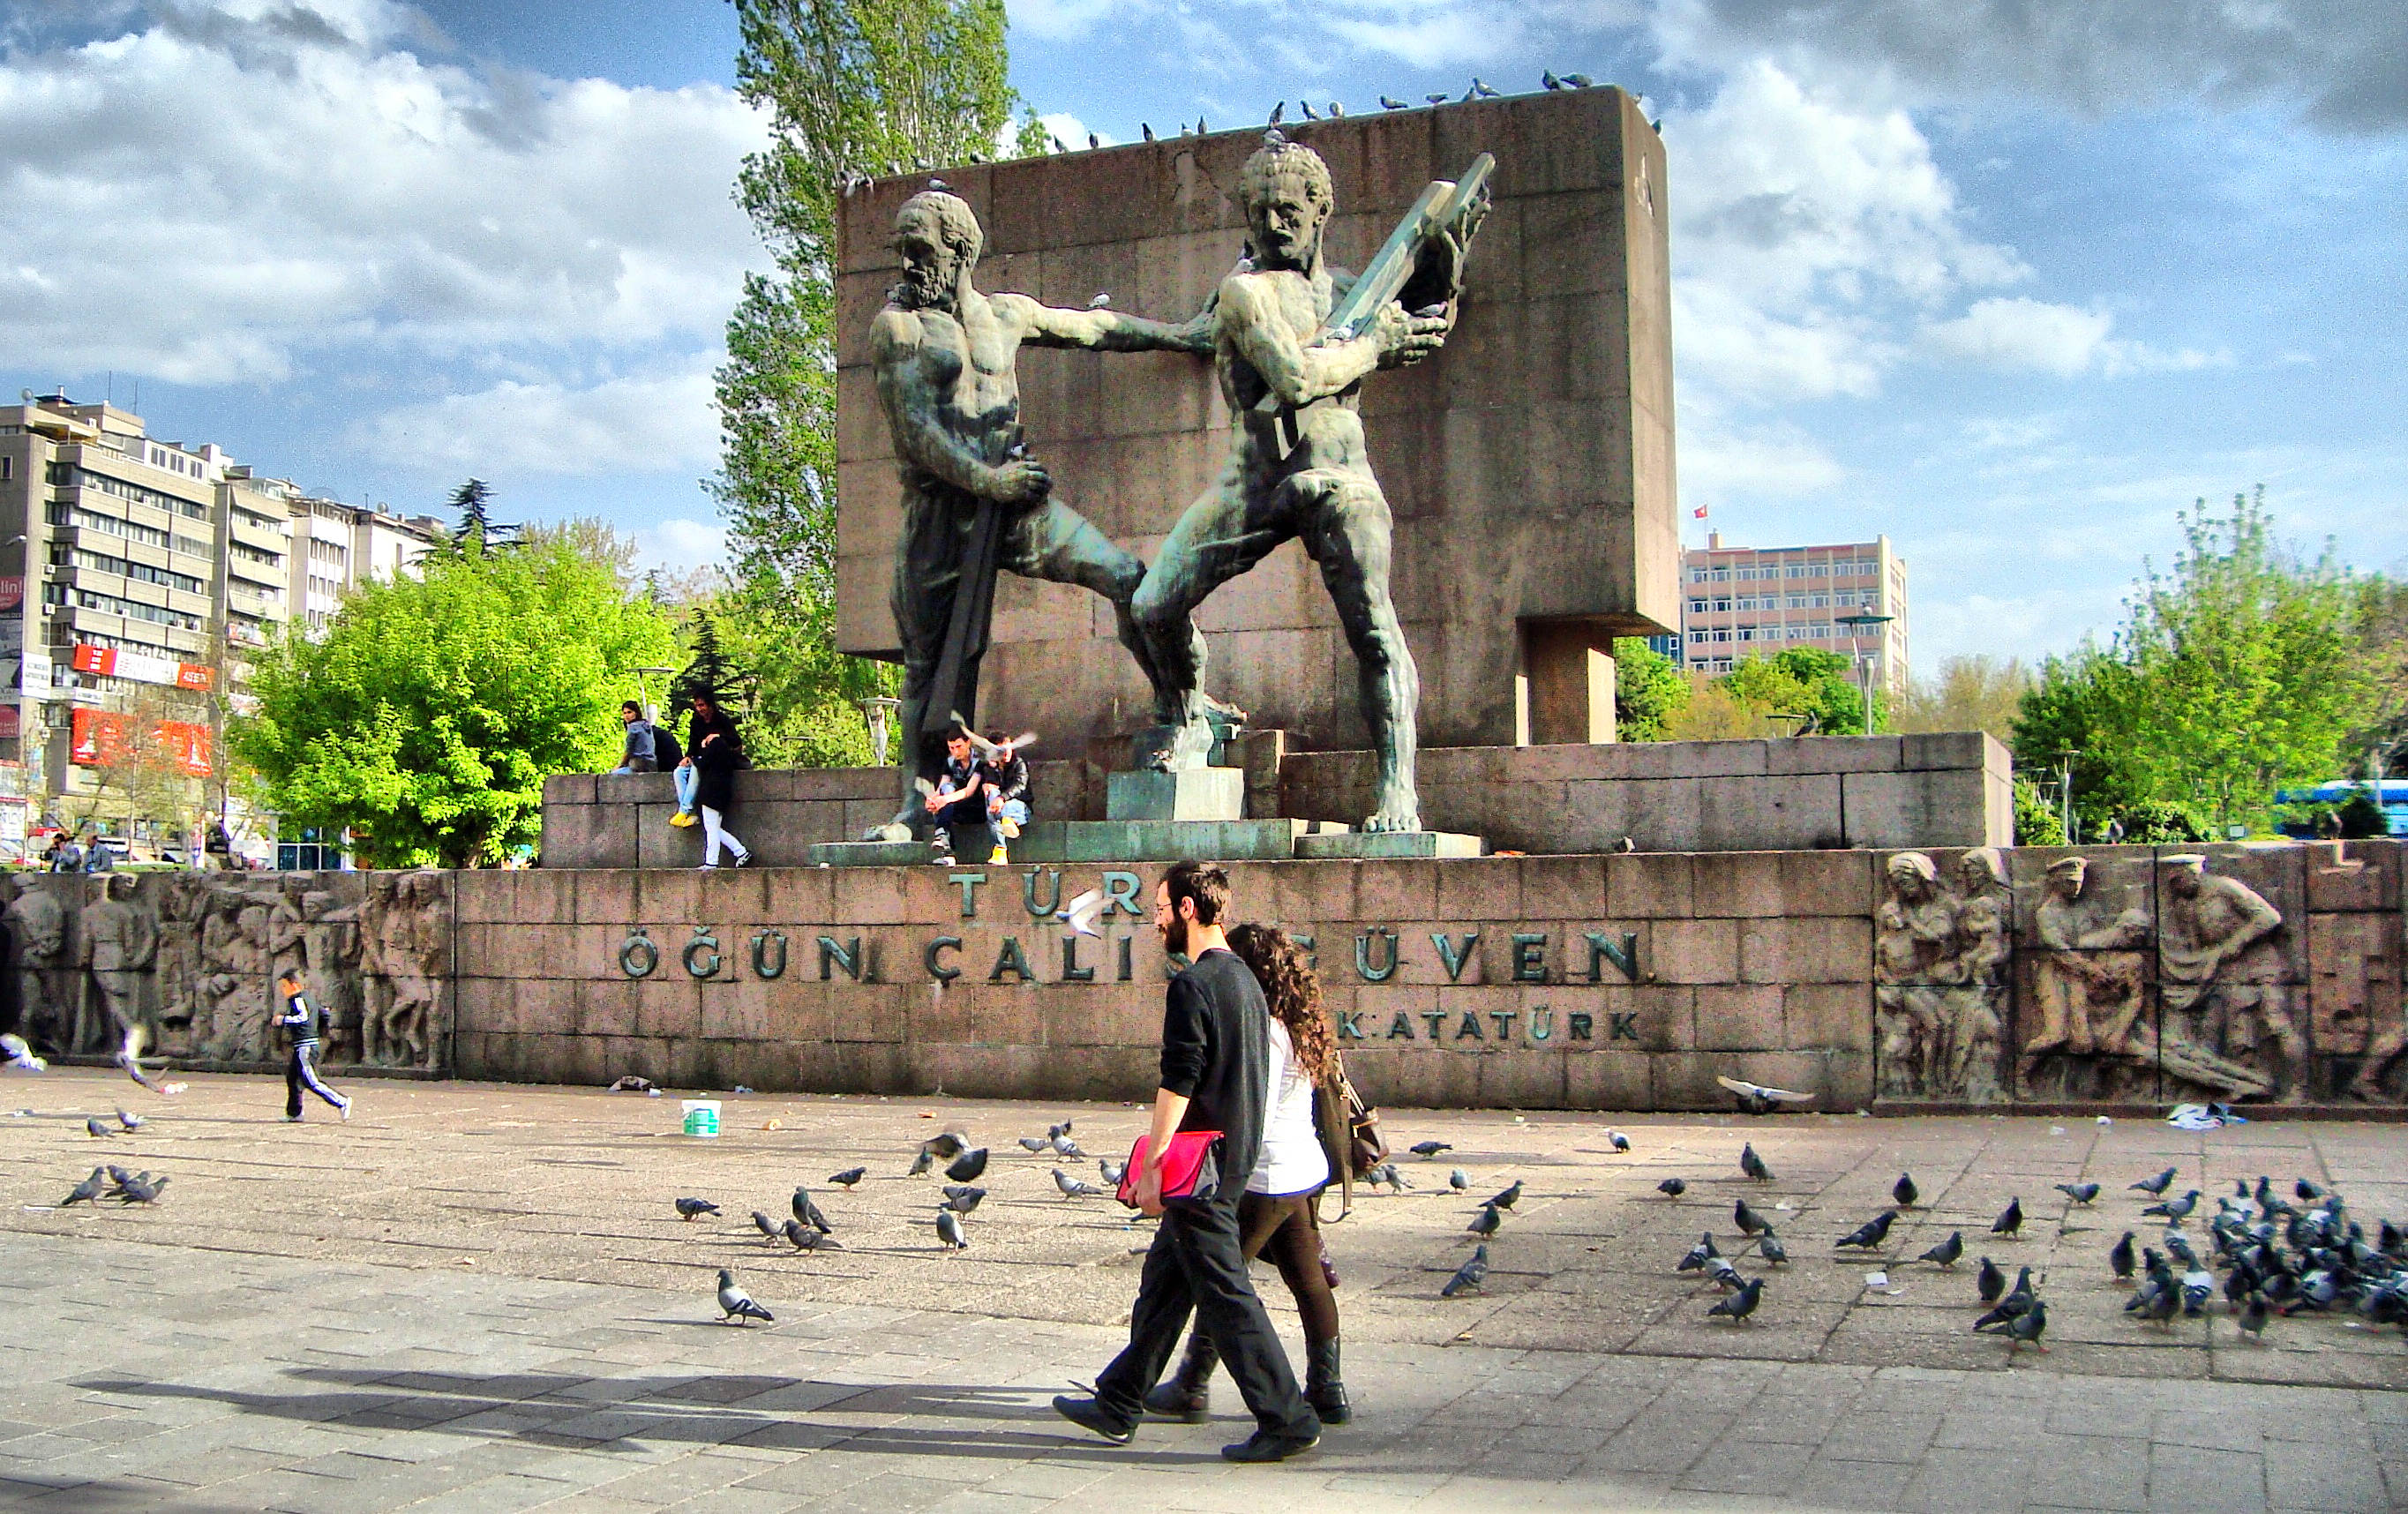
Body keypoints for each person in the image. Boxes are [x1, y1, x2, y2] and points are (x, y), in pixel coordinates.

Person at [1130, 136, 1467, 832]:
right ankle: (1190, 717)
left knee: (1374, 629)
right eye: (1259, 212)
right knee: (1153, 606)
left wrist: (1444, 259)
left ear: (1320, 212)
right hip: (1255, 480)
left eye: (1287, 210)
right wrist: (1374, 346)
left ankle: (1397, 792)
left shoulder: (1352, 289)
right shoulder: (1243, 293)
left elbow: (1427, 315)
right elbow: (1294, 378)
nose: (1272, 224)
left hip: (1340, 474)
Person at [866, 189, 1211, 828]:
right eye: (903, 251)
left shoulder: (1006, 314)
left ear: (960, 250)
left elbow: (1094, 329)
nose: (908, 264)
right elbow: (913, 429)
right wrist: (988, 479)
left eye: (920, 249)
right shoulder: (899, 327)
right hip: (942, 517)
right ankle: (918, 805)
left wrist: (1183, 335)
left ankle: (1179, 707)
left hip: (1017, 507)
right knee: (929, 667)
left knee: (1128, 579)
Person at [1054, 861, 1321, 1464]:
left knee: (1226, 1294)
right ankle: (1120, 1400)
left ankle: (1287, 1418)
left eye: (1159, 909)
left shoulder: (1194, 985)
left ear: (1187, 910)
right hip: (1232, 1157)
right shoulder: (1245, 981)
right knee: (1164, 1283)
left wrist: (1153, 1163)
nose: (1155, 922)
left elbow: (1179, 1080)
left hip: (1200, 1165)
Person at [1145, 922, 1350, 1428]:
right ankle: (1328, 1390)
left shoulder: (1264, 1029)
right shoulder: (1302, 1022)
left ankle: (1193, 1385)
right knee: (1308, 1280)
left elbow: (1252, 1109)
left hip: (1264, 1175)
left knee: (1223, 1282)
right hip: (1302, 1168)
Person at [680, 693, 753, 870]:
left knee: (711, 829)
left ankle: (711, 861)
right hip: (722, 792)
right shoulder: (726, 751)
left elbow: (701, 764)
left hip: (710, 793)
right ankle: (741, 852)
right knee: (713, 827)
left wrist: (702, 750)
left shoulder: (714, 747)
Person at [274, 968, 350, 1122]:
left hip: (305, 1046)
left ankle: (341, 1101)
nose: (282, 990)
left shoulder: (298, 999)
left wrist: (283, 1019)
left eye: (284, 986)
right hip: (304, 1045)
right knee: (293, 1078)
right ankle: (294, 1112)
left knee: (310, 1080)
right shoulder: (309, 998)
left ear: (295, 986)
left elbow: (303, 1018)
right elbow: (324, 1014)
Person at [923, 730, 986, 866]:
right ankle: (945, 846)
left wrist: (945, 799)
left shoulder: (979, 761)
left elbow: (969, 791)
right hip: (956, 805)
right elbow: (942, 786)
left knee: (945, 802)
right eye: (951, 748)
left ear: (968, 743)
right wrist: (933, 800)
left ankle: (943, 840)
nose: (956, 752)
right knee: (943, 796)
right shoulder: (950, 761)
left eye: (959, 747)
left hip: (977, 807)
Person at [977, 732, 1030, 865]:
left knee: (994, 810)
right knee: (992, 800)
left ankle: (1000, 849)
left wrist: (1002, 798)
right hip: (997, 807)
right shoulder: (989, 767)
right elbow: (991, 788)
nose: (1006, 753)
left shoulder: (1019, 764)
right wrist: (987, 785)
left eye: (1008, 748)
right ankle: (1006, 822)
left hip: (1020, 808)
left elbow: (1020, 786)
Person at [613, 701, 657, 774]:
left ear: (636, 713)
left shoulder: (633, 727)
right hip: (652, 764)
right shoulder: (646, 725)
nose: (626, 716)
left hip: (638, 764)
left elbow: (629, 750)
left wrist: (620, 765)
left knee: (614, 775)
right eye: (624, 713)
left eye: (629, 712)